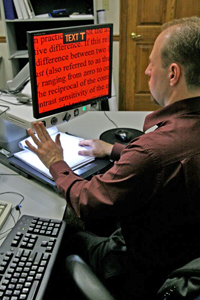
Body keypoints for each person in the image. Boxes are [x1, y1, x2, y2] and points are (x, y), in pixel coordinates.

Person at [26, 16, 200, 299]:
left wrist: (55, 161)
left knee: (61, 230)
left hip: (141, 272)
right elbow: (174, 159)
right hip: (183, 251)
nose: (146, 71)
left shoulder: (152, 152)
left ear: (173, 73)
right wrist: (114, 150)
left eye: (151, 63)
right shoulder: (161, 147)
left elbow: (88, 202)